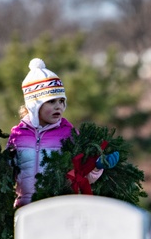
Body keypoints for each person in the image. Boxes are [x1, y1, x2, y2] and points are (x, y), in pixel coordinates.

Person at [7, 58, 118, 208]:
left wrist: (97, 166)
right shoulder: (19, 135)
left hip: (57, 208)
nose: (58, 107)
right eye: (51, 102)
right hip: (24, 208)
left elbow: (82, 176)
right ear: (34, 105)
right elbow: (6, 173)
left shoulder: (68, 134)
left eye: (61, 101)